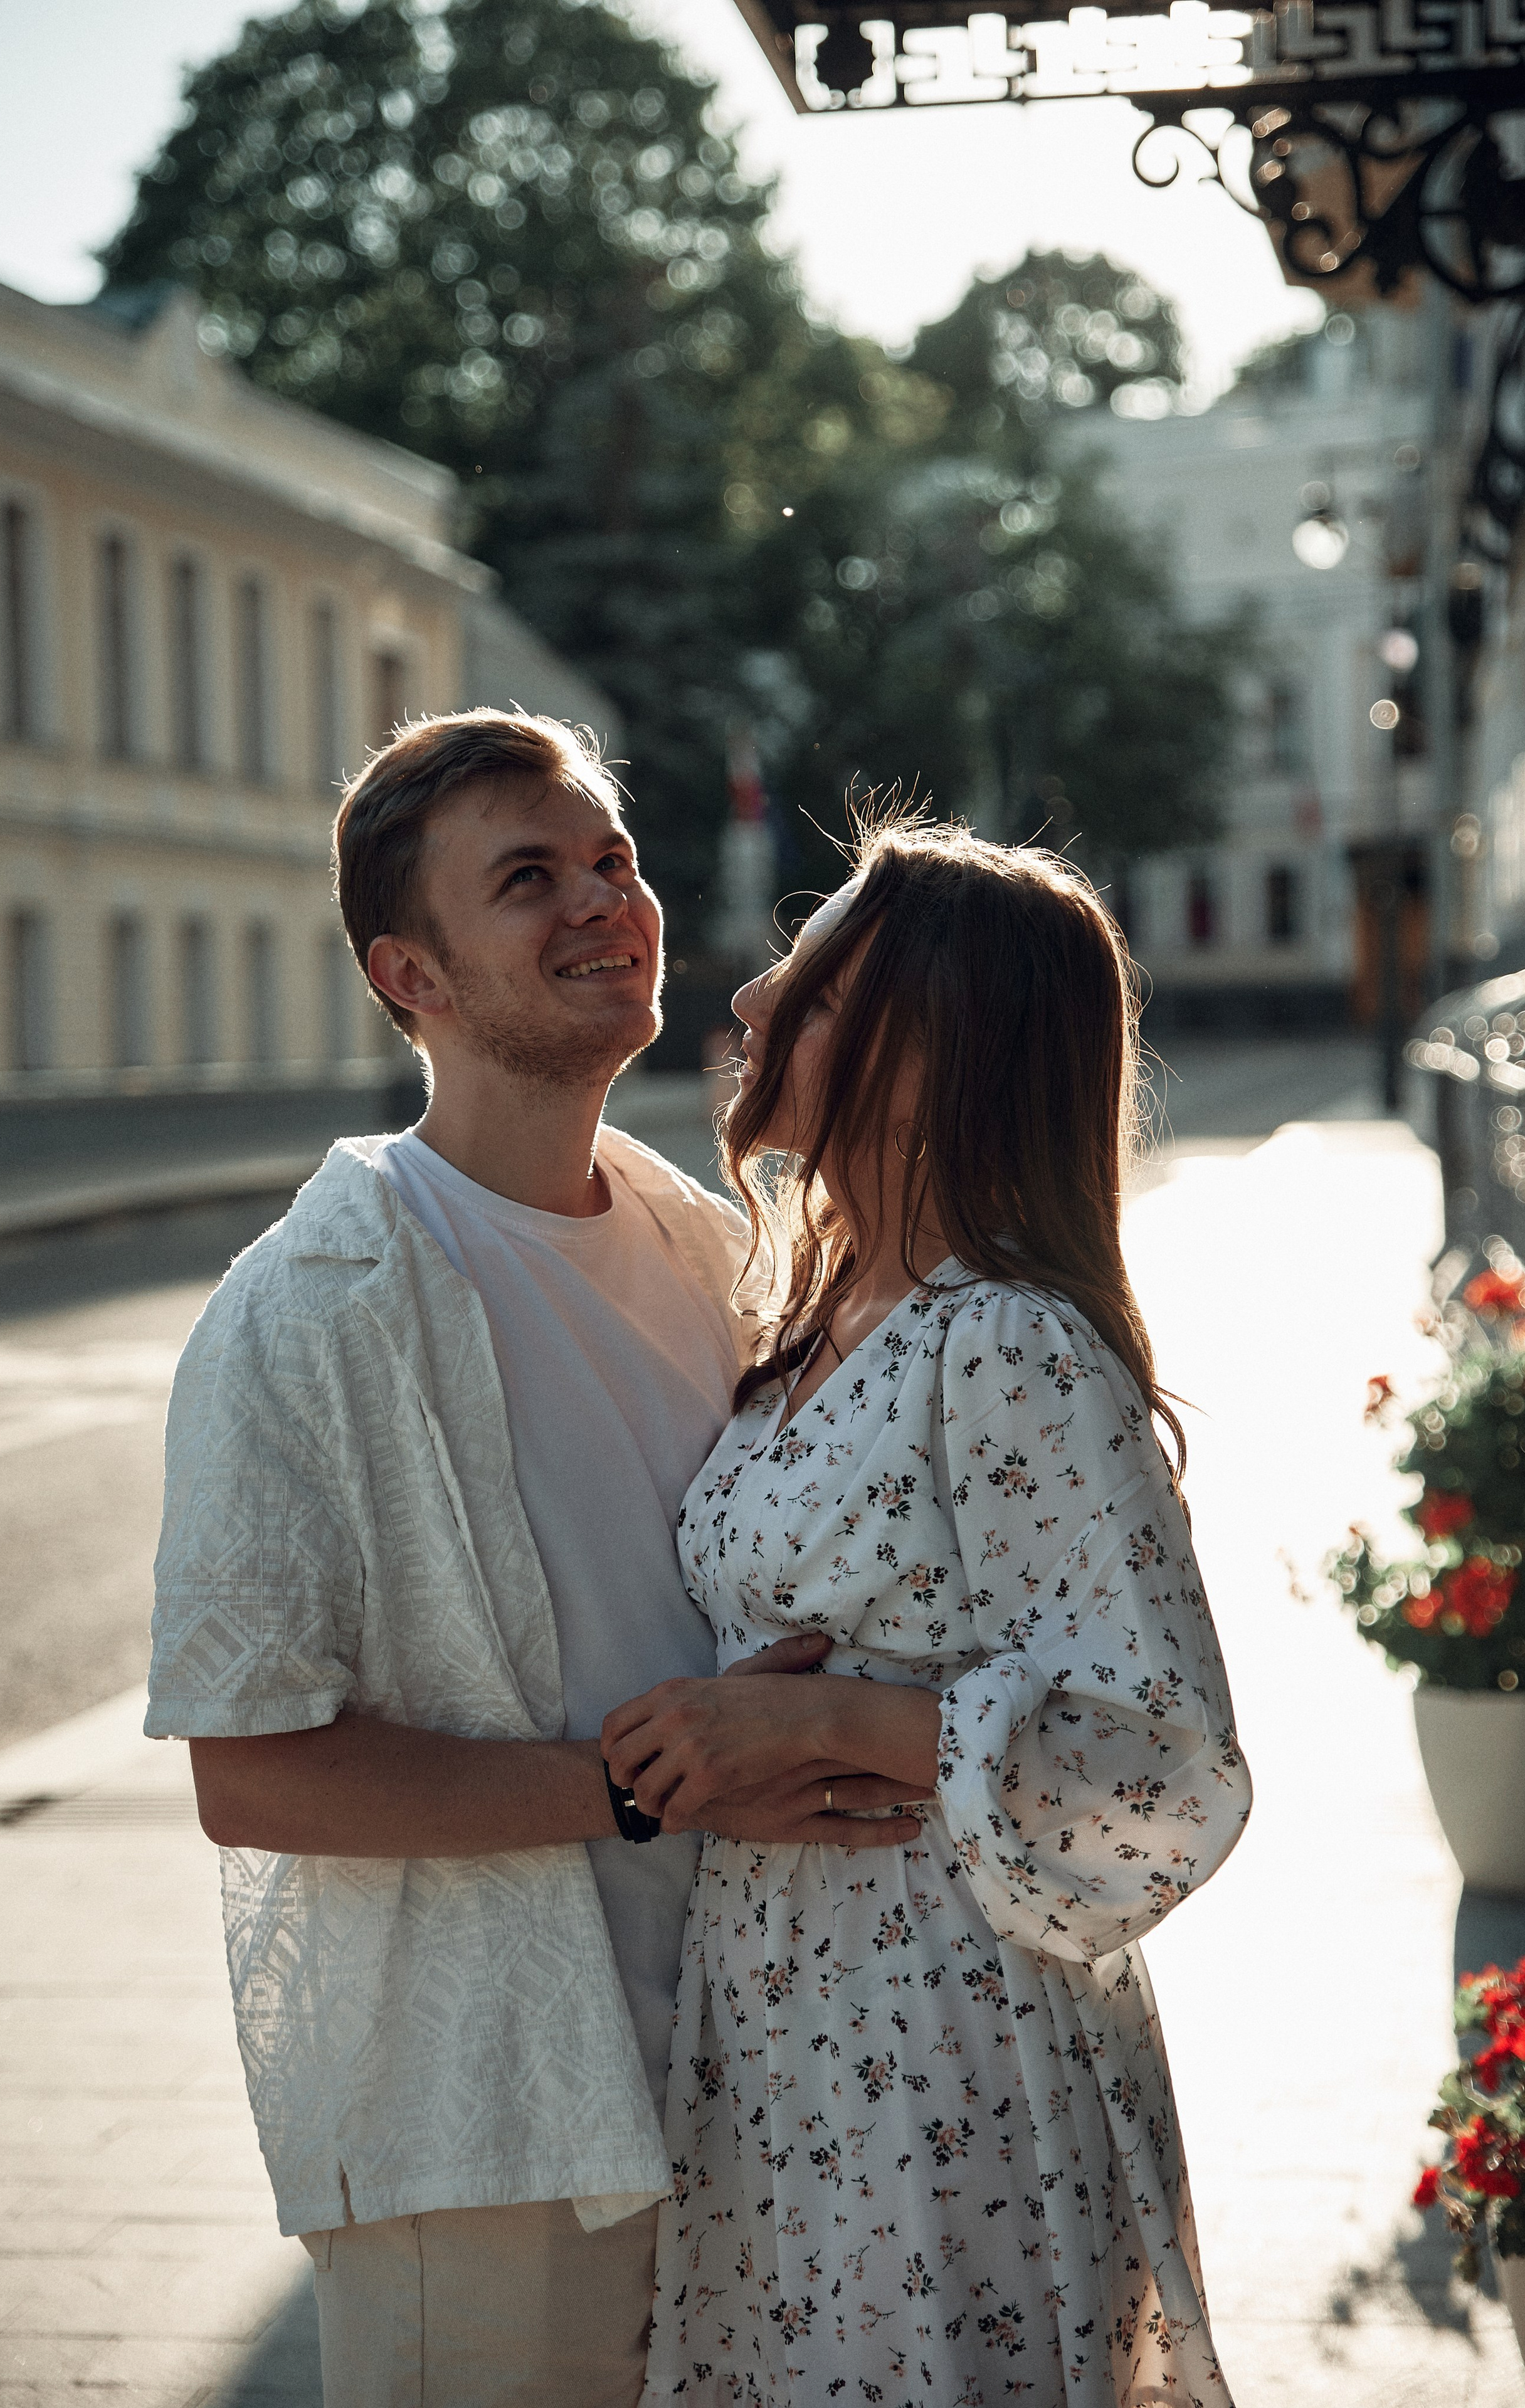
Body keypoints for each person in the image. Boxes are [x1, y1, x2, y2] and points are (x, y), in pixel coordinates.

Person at [144, 709, 916, 2408]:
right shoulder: (304, 1311)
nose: (605, 905)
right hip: (488, 2134)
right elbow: (254, 1775)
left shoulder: (712, 1248)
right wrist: (643, 1787)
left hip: (748, 2079)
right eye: (529, 878)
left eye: (612, 859)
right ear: (410, 973)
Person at [602, 817, 1253, 2406]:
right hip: (775, 2034)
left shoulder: (1008, 1346)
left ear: (928, 1052)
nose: (754, 1001)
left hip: (937, 2055)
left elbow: (1167, 1776)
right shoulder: (810, 1320)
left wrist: (828, 1722)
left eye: (816, 989)